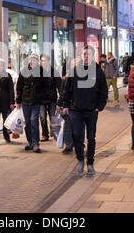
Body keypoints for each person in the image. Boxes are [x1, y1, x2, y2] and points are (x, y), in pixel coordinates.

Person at [61, 46, 108, 177]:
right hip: (75, 110)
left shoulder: (98, 72)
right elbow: (67, 90)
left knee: (91, 137)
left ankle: (91, 163)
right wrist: (65, 104)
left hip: (92, 110)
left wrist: (100, 106)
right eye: (84, 54)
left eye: (88, 54)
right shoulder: (74, 70)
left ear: (93, 56)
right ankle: (80, 159)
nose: (86, 56)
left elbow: (103, 91)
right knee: (76, 136)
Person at [16, 54, 47, 153]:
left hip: (36, 101)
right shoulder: (24, 71)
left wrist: (42, 97)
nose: (33, 61)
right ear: (29, 61)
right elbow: (19, 87)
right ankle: (30, 142)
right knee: (28, 123)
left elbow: (45, 85)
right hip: (25, 101)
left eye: (35, 59)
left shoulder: (41, 71)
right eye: (32, 59)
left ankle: (36, 143)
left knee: (34, 121)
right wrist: (18, 101)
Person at [39, 54, 62, 142]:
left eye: (45, 60)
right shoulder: (39, 72)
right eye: (42, 61)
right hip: (41, 99)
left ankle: (53, 130)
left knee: (52, 116)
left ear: (49, 61)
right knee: (42, 117)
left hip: (52, 99)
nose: (43, 62)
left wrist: (60, 100)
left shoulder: (54, 72)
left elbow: (59, 86)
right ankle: (45, 134)